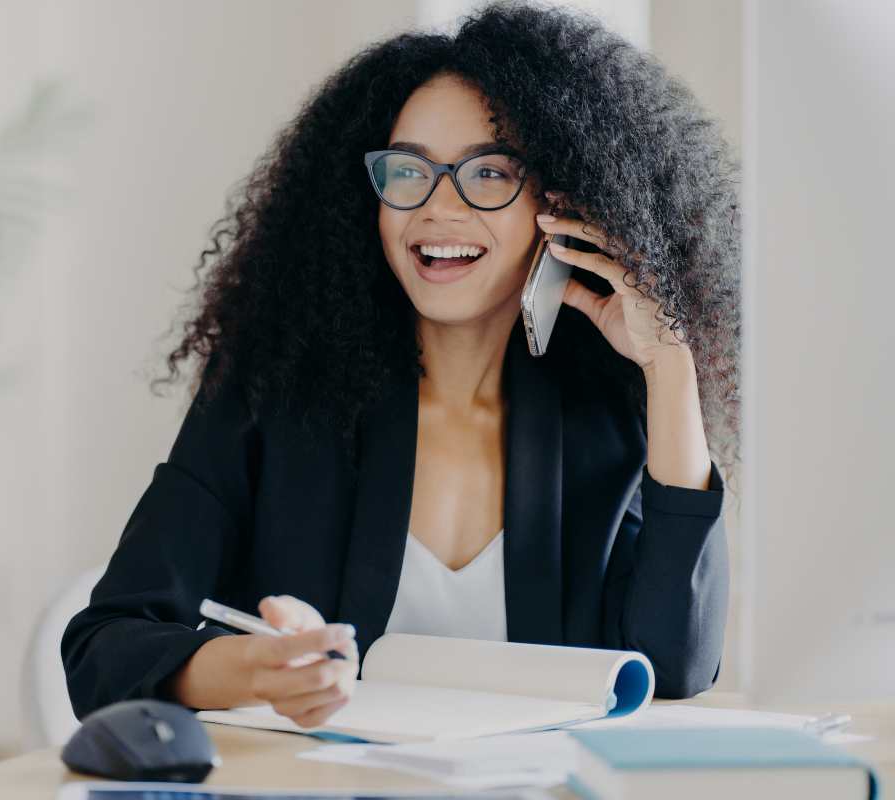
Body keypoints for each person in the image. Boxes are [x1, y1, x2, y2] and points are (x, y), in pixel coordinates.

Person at [62, 0, 740, 731]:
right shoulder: (271, 399)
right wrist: (248, 671)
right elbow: (102, 649)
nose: (437, 209)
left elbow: (674, 665)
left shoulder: (606, 417)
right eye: (406, 171)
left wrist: (671, 367)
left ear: (563, 205)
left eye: (488, 174)